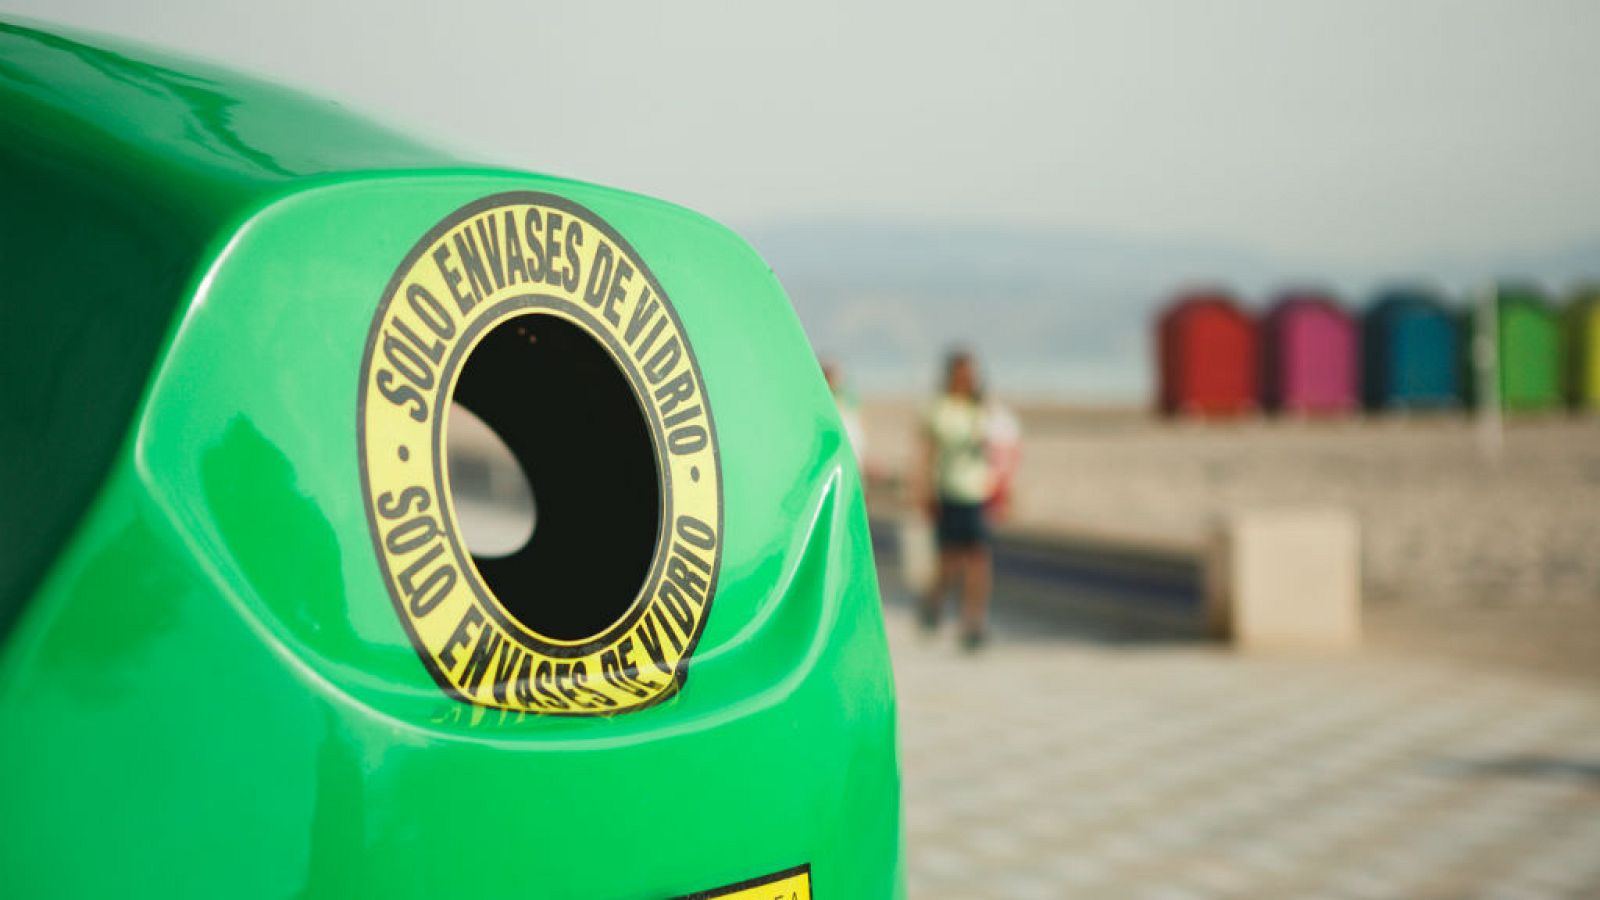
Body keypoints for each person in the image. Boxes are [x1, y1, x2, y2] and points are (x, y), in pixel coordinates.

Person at [915, 349, 993, 651]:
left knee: (978, 558)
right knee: (949, 561)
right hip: (948, 491)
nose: (969, 378)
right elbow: (926, 454)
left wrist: (1004, 488)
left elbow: (996, 451)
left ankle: (973, 621)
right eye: (964, 372)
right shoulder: (938, 409)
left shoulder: (981, 409)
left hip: (977, 492)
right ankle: (933, 602)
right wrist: (923, 491)